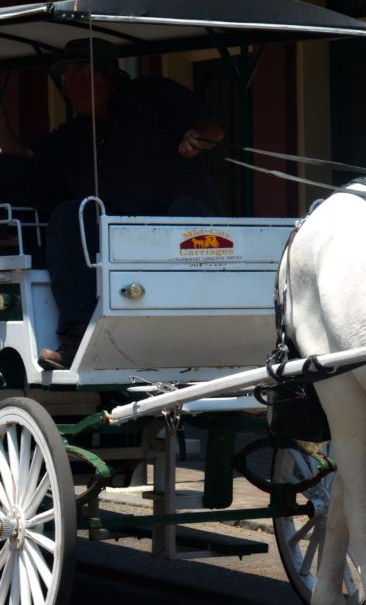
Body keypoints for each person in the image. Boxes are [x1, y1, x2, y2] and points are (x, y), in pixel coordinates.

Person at [0, 38, 224, 369]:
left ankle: (198, 330)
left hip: (180, 221)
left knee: (186, 217)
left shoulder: (152, 93)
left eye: (69, 77)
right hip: (119, 235)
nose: (65, 89)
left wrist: (198, 137)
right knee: (67, 216)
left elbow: (213, 128)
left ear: (93, 73)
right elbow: (20, 153)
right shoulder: (77, 133)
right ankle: (77, 338)